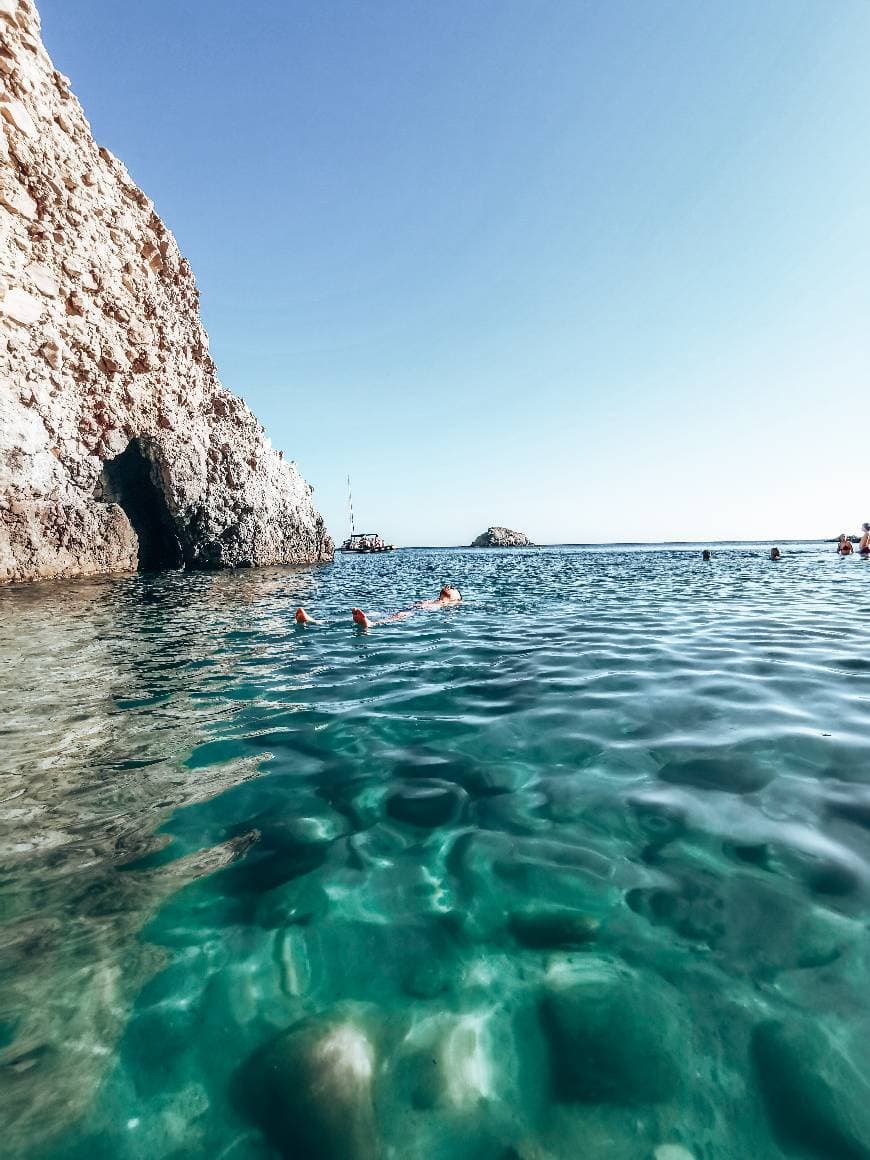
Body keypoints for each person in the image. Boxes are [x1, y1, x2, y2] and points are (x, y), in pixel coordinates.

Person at [295, 585, 462, 629]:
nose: (448, 587)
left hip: (416, 613)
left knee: (397, 617)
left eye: (452, 587)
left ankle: (371, 625)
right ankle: (314, 621)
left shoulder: (452, 603)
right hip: (409, 608)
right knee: (373, 613)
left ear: (456, 598)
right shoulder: (433, 599)